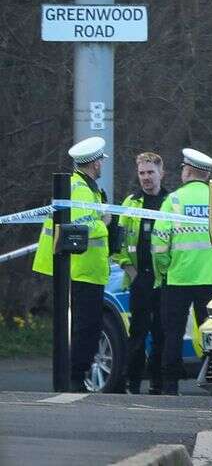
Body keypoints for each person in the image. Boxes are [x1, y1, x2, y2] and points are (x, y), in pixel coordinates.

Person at [31, 136, 111, 392]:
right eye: (100, 161)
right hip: (80, 271)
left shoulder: (88, 188)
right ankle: (74, 380)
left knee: (87, 327)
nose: (102, 165)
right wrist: (105, 222)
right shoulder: (79, 189)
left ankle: (75, 378)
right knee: (85, 328)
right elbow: (83, 224)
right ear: (95, 164)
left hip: (86, 271)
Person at [153, 148, 212, 395]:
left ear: (188, 171)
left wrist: (163, 271)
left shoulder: (173, 200)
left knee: (173, 333)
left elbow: (159, 244)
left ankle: (170, 386)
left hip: (178, 277)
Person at [113, 152, 168, 394]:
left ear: (161, 173)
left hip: (165, 279)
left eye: (150, 172)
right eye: (142, 173)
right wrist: (129, 268)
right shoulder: (131, 203)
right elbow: (118, 243)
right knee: (137, 333)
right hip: (140, 278)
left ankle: (159, 384)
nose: (146, 178)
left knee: (162, 334)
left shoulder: (170, 202)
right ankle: (132, 383)